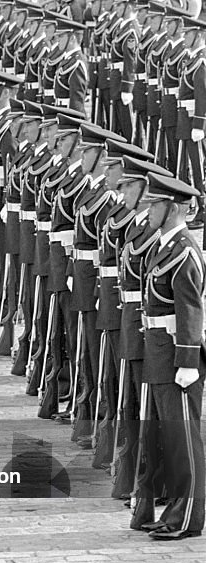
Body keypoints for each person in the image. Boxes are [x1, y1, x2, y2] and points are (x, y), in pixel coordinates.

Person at [130, 173, 205, 541]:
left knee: (182, 440)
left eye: (154, 206)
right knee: (164, 436)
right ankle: (171, 510)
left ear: (171, 208)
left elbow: (190, 309)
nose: (148, 212)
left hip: (177, 356)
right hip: (158, 350)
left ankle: (186, 516)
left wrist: (189, 362)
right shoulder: (165, 246)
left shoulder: (185, 251)